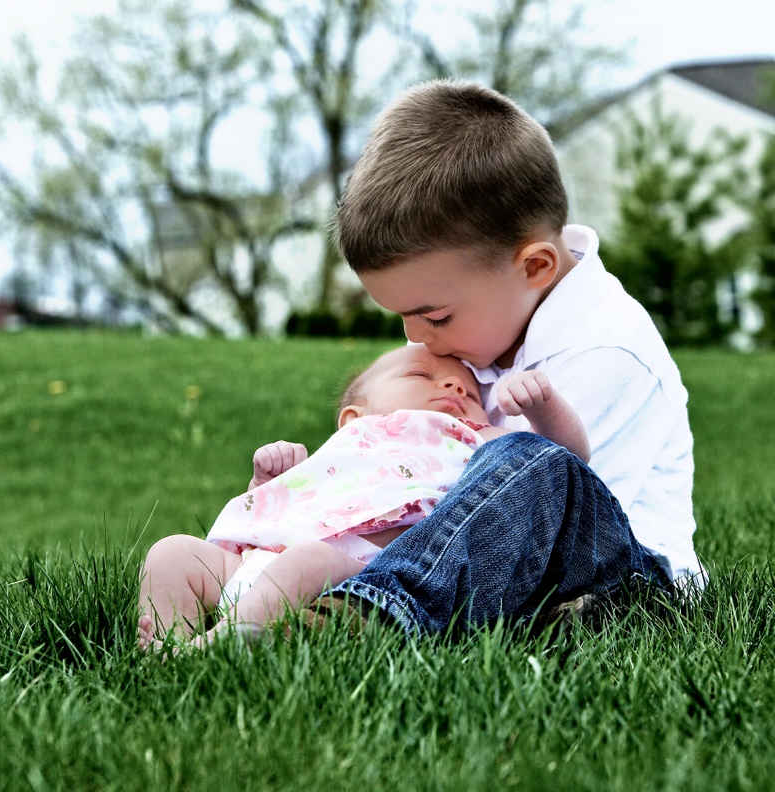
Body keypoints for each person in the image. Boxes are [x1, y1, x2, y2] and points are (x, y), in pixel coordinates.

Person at [323, 79, 705, 637]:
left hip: (623, 572)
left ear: (535, 267)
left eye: (435, 316)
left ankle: (378, 609)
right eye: (403, 317)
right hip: (477, 553)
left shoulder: (607, 347)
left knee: (528, 459)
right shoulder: (464, 337)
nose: (416, 337)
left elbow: (547, 502)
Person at [137, 344, 588, 650]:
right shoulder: (349, 444)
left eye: (470, 392)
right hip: (258, 562)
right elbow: (285, 507)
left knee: (308, 557)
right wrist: (268, 480)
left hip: (359, 573)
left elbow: (557, 465)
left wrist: (542, 408)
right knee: (172, 553)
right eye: (422, 375)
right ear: (354, 416)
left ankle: (222, 641)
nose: (455, 388)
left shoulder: (472, 436)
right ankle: (166, 643)